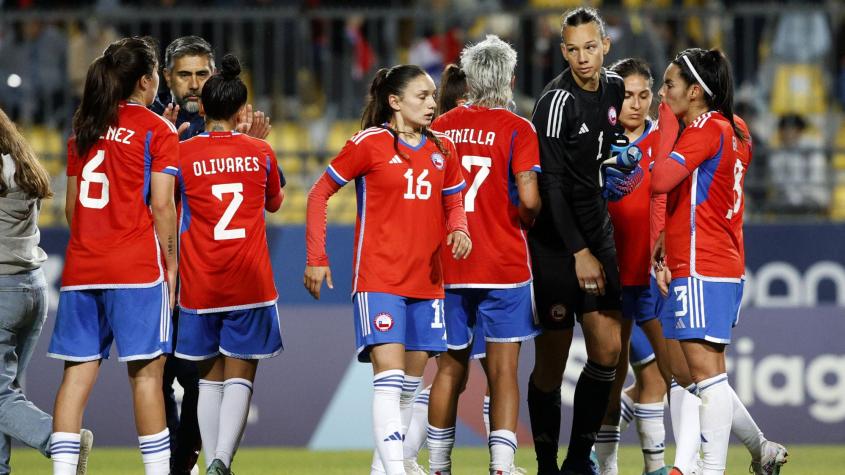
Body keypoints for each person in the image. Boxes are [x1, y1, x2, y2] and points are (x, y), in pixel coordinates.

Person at [304, 64, 471, 475]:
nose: (432, 104)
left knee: (408, 390)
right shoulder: (370, 143)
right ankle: (396, 470)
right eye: (422, 96)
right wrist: (316, 257)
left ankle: (383, 468)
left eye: (433, 96)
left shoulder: (442, 148)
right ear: (394, 102)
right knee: (390, 380)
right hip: (379, 280)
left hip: (428, 282)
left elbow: (454, 202)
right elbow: (319, 192)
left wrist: (460, 229)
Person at [651, 48, 788, 475]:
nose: (663, 92)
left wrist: (669, 124)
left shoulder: (704, 130)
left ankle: (705, 470)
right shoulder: (737, 128)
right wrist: (665, 238)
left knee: (705, 379)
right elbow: (698, 194)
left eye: (670, 84)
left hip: (700, 263)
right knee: (687, 372)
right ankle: (761, 448)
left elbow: (660, 180)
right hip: (719, 262)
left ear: (695, 92)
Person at [48, 36, 178, 475]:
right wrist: (172, 263)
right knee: (146, 378)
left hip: (82, 268)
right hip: (136, 270)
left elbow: (71, 209)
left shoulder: (84, 126)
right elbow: (162, 205)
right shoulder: (158, 130)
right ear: (146, 80)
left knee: (76, 378)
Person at [151, 35, 274, 475]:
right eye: (184, 75)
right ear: (167, 78)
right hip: (165, 275)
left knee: (197, 379)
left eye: (202, 74)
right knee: (163, 378)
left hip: (198, 279)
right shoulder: (155, 128)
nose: (194, 84)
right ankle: (189, 462)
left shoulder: (192, 144)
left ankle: (187, 462)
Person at [527, 7, 639, 475]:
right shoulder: (555, 102)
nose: (582, 57)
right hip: (557, 245)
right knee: (552, 364)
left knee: (609, 352)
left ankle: (577, 462)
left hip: (599, 233)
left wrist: (621, 158)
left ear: (605, 45)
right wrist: (579, 253)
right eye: (572, 49)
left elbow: (610, 140)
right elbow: (551, 186)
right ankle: (548, 464)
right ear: (563, 51)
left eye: (590, 46)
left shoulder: (614, 87)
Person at [425, 35, 541, 475]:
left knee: (449, 372)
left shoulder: (442, 127)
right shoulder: (518, 128)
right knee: (503, 371)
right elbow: (529, 198)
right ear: (510, 79)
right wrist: (521, 218)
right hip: (503, 264)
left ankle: (437, 466)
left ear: (469, 79)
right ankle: (500, 465)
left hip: (449, 264)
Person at [0, 106, 93, 474]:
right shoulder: (22, 164)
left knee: (0, 396)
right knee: (7, 395)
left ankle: (60, 442)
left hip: (2, 288)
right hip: (31, 288)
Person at [594, 57, 669, 475]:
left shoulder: (665, 143)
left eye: (643, 95)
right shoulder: (598, 144)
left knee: (669, 370)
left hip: (652, 276)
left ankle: (657, 466)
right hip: (611, 274)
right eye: (626, 96)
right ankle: (607, 465)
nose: (635, 105)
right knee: (611, 369)